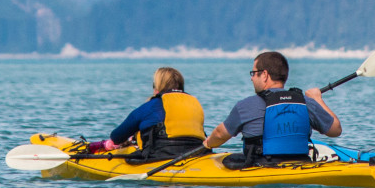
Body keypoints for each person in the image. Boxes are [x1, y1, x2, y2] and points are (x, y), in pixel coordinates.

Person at [200, 51, 342, 169]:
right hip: (301, 163)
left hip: (262, 166)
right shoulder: (306, 103)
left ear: (265, 75)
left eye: (253, 73)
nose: (251, 78)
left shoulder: (246, 105)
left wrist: (207, 144)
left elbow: (220, 134)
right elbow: (336, 130)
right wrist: (318, 99)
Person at [83, 67, 207, 162]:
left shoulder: (151, 106)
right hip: (197, 154)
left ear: (157, 87)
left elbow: (116, 137)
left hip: (162, 156)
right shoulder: (195, 103)